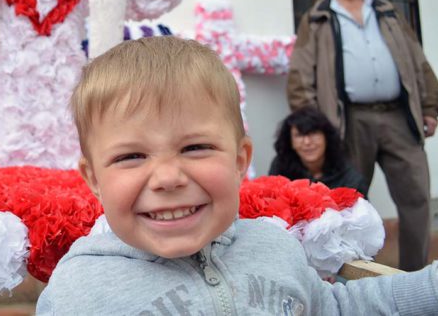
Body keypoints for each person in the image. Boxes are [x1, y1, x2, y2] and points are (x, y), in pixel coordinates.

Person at [36, 36, 438, 314]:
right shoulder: (78, 291)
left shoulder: (275, 246)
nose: (167, 177)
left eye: (195, 148)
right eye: (131, 156)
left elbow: (334, 307)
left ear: (240, 159)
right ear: (93, 179)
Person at [287, 0, 438, 272]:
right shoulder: (317, 18)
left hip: (399, 116)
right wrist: (314, 124)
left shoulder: (387, 11)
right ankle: (357, 275)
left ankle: (415, 277)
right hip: (347, 122)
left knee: (416, 198)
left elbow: (418, 60)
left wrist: (429, 106)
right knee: (347, 201)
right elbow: (299, 73)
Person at [270, 106, 368, 196]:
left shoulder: (347, 172)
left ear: (326, 137)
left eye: (313, 133)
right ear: (290, 141)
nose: (307, 142)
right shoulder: (281, 166)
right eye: (299, 135)